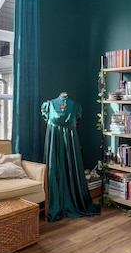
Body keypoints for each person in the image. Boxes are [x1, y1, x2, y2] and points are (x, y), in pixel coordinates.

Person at [41, 92, 101, 222]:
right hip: (61, 142)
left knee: (64, 168)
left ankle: (62, 202)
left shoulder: (69, 106)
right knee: (59, 169)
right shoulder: (51, 105)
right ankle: (63, 201)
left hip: (64, 142)